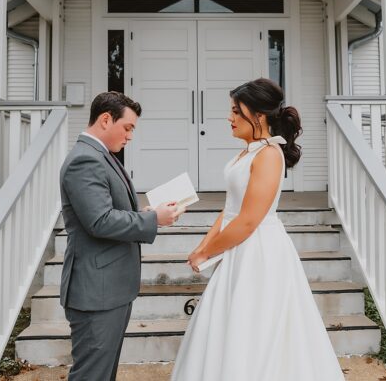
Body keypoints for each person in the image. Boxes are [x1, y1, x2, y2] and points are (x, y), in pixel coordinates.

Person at [171, 78, 344, 380]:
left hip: (258, 251)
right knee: (229, 323)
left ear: (259, 116)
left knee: (256, 326)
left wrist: (209, 252)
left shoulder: (268, 155)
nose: (230, 117)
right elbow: (230, 209)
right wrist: (202, 246)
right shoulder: (248, 151)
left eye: (237, 111)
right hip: (238, 246)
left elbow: (249, 220)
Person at [59, 91, 183, 380]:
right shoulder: (85, 160)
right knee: (92, 375)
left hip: (109, 289)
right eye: (127, 128)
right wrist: (153, 219)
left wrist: (147, 213)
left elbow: (106, 210)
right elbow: (100, 221)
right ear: (105, 119)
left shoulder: (100, 155)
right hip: (95, 293)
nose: (130, 136)